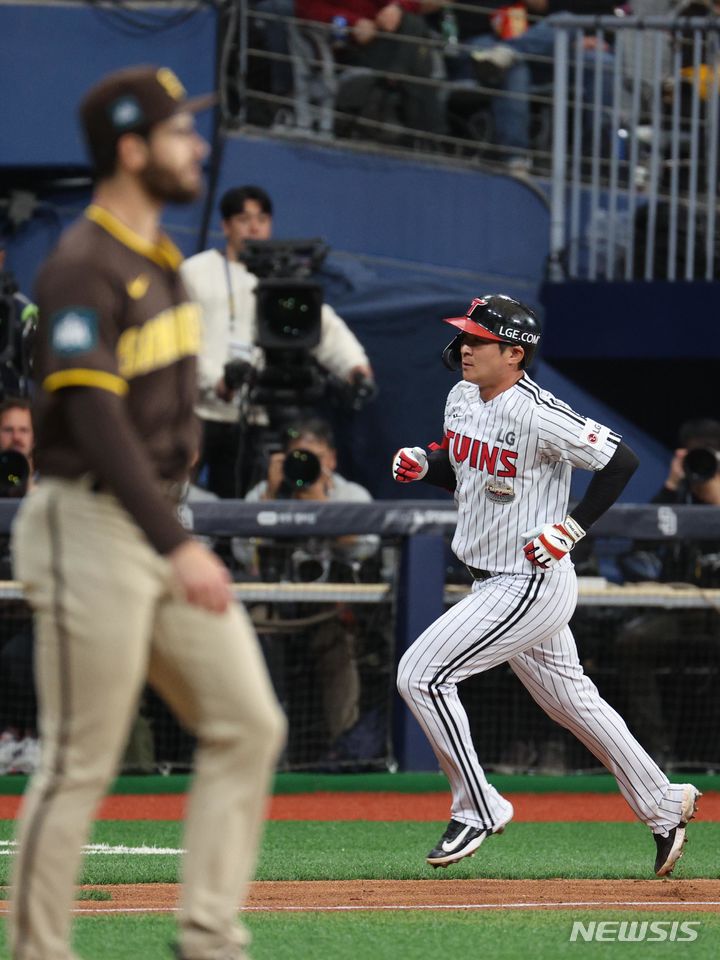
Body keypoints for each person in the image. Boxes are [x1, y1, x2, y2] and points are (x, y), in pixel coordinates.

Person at [7, 65, 286, 960]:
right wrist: (178, 541)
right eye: (177, 132)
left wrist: (175, 518)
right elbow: (90, 415)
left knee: (250, 722)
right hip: (90, 522)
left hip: (155, 522)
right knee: (81, 762)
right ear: (132, 150)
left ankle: (207, 935)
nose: (194, 145)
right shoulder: (81, 263)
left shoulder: (162, 259)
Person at [392, 293, 700, 877]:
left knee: (422, 675)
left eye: (477, 340)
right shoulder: (461, 396)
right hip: (488, 578)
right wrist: (423, 465)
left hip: (529, 579)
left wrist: (573, 528)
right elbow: (463, 473)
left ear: (514, 353)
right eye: (464, 336)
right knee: (573, 703)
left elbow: (623, 461)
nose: (464, 347)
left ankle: (478, 806)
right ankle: (662, 804)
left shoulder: (538, 412)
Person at [180, 184, 374, 497]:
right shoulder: (194, 272)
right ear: (225, 225)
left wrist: (355, 368)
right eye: (244, 219)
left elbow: (321, 326)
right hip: (199, 411)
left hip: (254, 414)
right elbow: (183, 343)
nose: (254, 227)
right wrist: (217, 382)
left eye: (262, 219)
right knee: (178, 498)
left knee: (239, 505)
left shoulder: (283, 275)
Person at [241, 417, 381, 761]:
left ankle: (345, 748)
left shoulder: (351, 494)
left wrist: (320, 504)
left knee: (337, 643)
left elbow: (366, 547)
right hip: (275, 600)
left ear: (331, 459)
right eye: (296, 456)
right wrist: (274, 498)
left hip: (328, 602)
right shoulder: (263, 493)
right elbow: (244, 555)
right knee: (252, 633)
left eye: (313, 456)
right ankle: (262, 749)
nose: (303, 464)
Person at [616, 418, 720, 766]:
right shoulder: (679, 497)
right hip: (678, 614)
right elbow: (640, 541)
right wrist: (674, 484)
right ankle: (657, 751)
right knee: (633, 641)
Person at [455, 0, 616, 171]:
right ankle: (514, 158)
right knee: (515, 67)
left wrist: (572, 41)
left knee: (592, 51)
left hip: (534, 43)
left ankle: (597, 161)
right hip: (481, 43)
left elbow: (543, 7)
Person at [295, 0, 447, 143]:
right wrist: (353, 23)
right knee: (415, 53)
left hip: (380, 40)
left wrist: (396, 7)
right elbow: (307, 10)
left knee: (412, 25)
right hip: (343, 45)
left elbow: (410, 4)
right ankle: (432, 134)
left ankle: (396, 75)